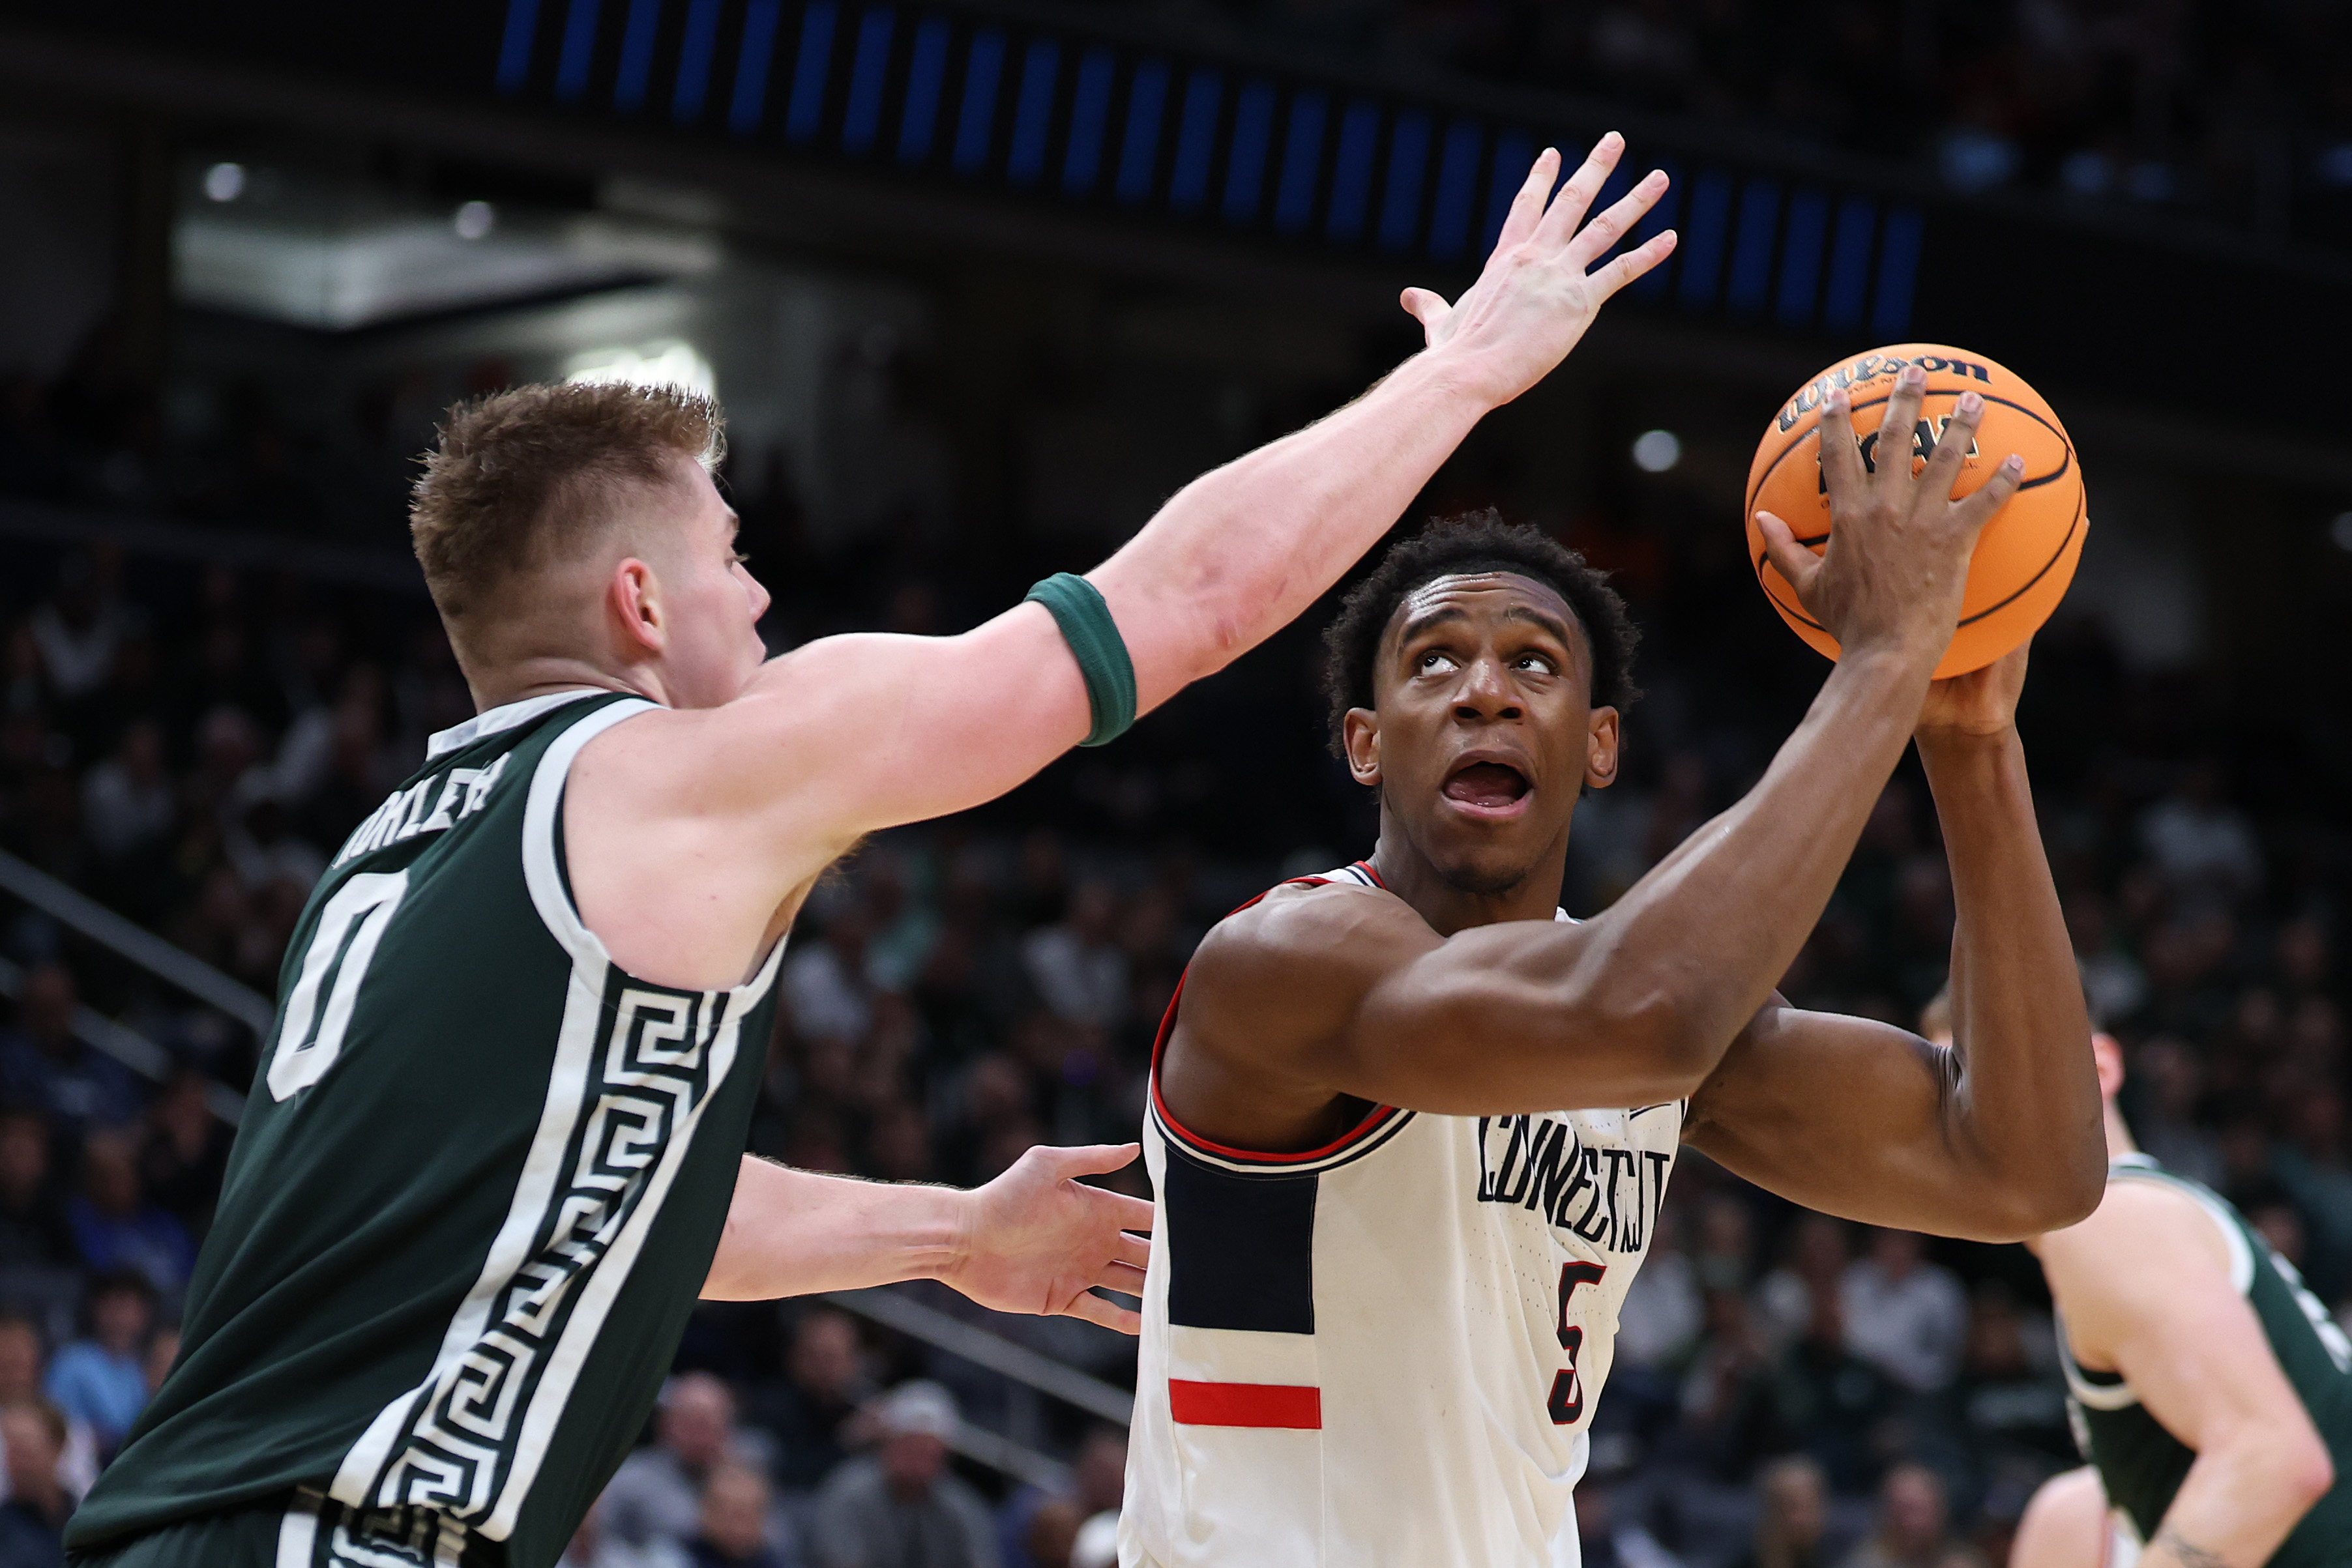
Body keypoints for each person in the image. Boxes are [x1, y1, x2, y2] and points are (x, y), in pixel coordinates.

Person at [64, 132, 1676, 1568]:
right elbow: (1174, 608)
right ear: (638, 603)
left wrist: (953, 1232)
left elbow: (620, 1203)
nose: (761, 597)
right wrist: (1460, 376)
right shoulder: (670, 772)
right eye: (731, 553)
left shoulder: (396, 853)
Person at [1125, 357, 2106, 1565]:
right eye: (1434, 660)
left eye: (1533, 662)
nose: (1484, 691)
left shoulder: (1652, 1036)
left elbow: (2025, 1170)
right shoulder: (1280, 963)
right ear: (1364, 746)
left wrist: (1968, 741)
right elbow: (1643, 1007)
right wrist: (1877, 664)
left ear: (1598, 749)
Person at [2010, 1031, 2352, 1568]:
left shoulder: (2112, 1219)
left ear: (2099, 1065)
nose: (1966, 1115)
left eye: (1985, 1072)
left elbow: (2272, 1461)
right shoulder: (2169, 1213)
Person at [810, 1381, 996, 1568]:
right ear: (887, 1445)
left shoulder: (960, 1506)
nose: (918, 1464)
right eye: (910, 1448)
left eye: (930, 1454)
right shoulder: (849, 1493)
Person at [1838, 1463, 1970, 1568]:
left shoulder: (1962, 1561)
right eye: (1901, 1511)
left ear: (1940, 1512)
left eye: (1919, 1511)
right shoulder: (1864, 1562)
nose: (1910, 1523)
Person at [0, 1400, 72, 1567]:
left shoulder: (83, 1517)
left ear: (58, 1447)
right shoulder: (5, 1529)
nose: (16, 1464)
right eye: (11, 1452)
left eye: (24, 1452)